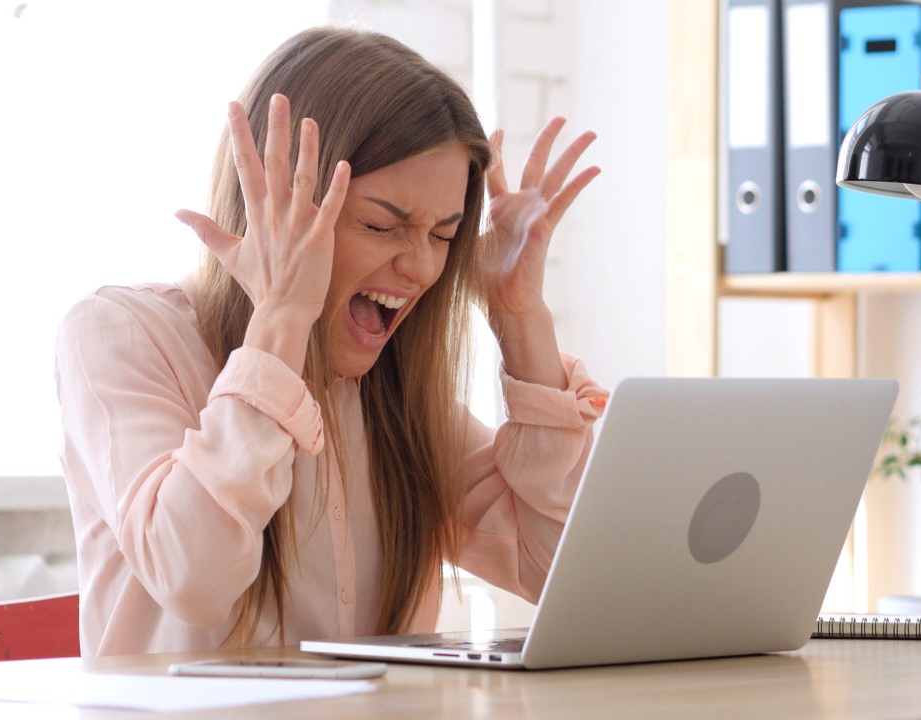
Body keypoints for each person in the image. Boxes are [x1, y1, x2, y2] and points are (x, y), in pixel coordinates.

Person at [55, 26, 607, 656]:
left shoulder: (392, 399)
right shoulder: (120, 334)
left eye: (443, 235)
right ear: (277, 204)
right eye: (382, 224)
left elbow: (560, 571)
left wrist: (520, 316)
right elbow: (193, 579)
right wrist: (282, 318)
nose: (423, 269)